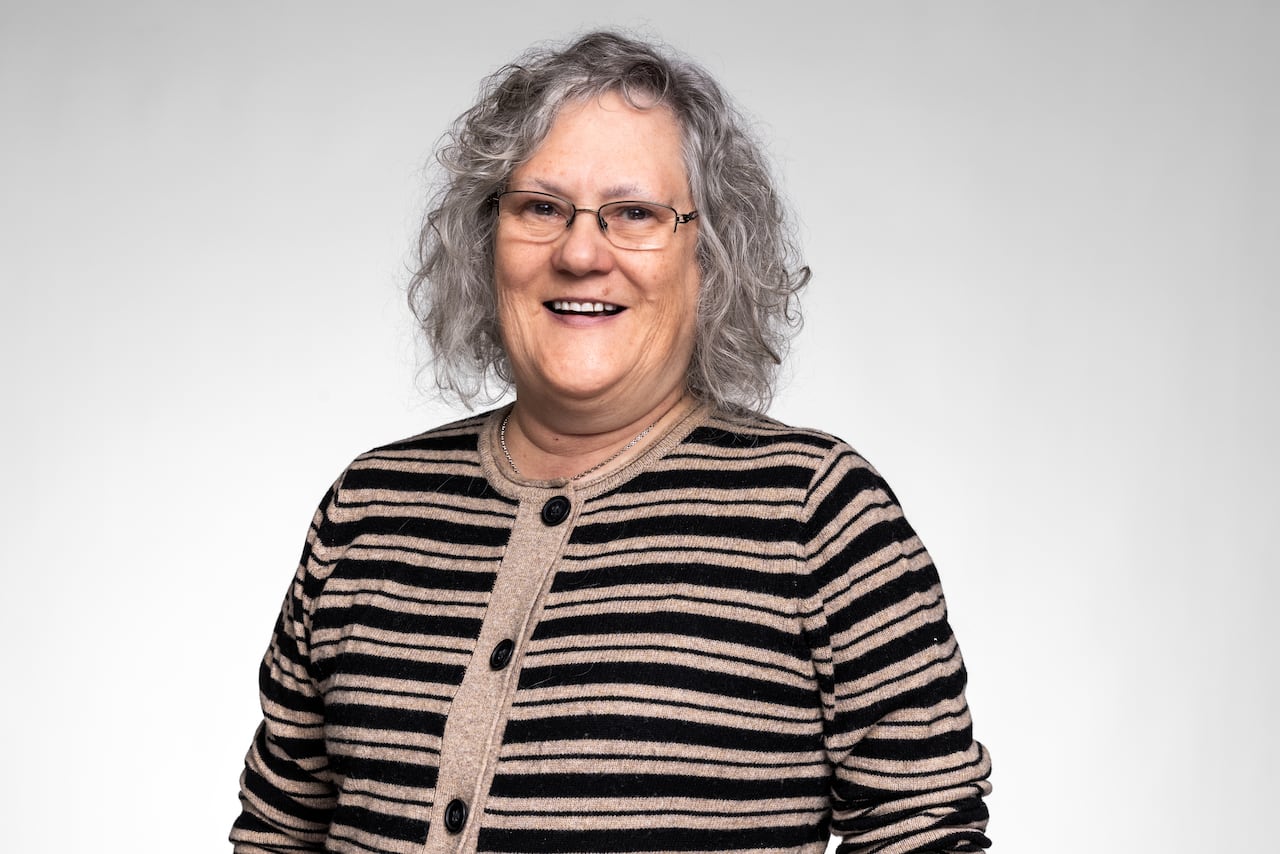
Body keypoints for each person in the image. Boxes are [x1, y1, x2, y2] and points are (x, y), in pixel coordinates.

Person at [230, 31, 992, 854]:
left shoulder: (817, 512)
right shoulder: (370, 508)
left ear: (710, 257)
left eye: (635, 214)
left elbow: (927, 834)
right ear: (487, 243)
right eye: (541, 208)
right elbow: (276, 833)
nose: (581, 252)